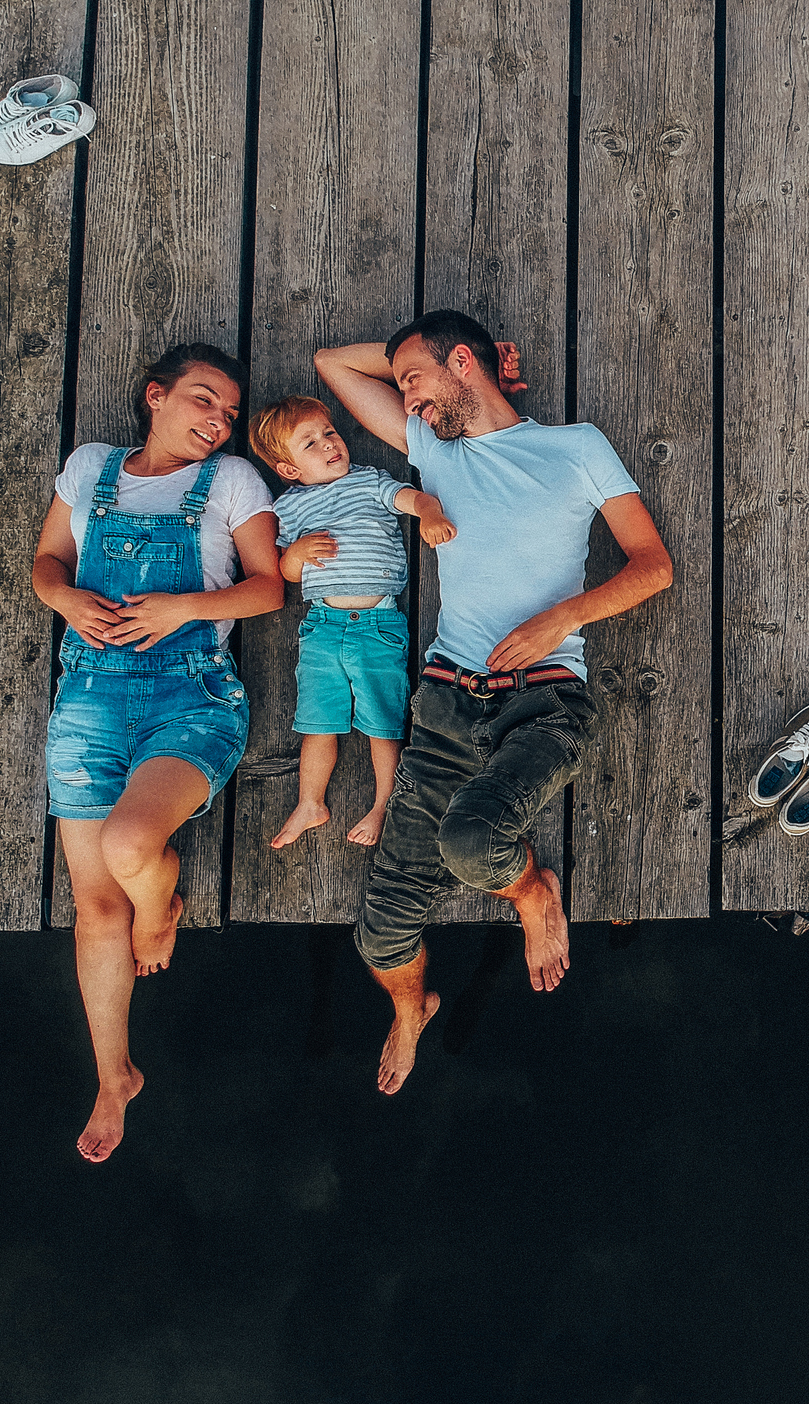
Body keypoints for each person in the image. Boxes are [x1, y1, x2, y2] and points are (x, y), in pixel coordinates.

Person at [314, 311, 673, 1094]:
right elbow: (330, 366)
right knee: (379, 938)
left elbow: (653, 567)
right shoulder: (435, 454)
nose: (404, 398)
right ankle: (412, 1010)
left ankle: (531, 892)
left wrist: (563, 617)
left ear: (464, 363)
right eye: (403, 382)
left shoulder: (574, 447)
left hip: (543, 704)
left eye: (414, 379)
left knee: (475, 843)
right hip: (446, 705)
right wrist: (410, 352)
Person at [32, 345, 283, 1162]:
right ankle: (115, 1078)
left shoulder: (235, 482)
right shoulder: (91, 468)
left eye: (228, 414)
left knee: (129, 846)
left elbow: (267, 588)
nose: (217, 422)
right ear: (155, 396)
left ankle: (162, 905)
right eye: (203, 401)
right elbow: (48, 563)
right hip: (88, 701)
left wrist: (183, 607)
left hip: (189, 695)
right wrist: (65, 597)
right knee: (93, 909)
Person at [249, 394, 458, 849]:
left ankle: (385, 803)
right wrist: (296, 556)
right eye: (310, 443)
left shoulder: (369, 482)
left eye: (329, 433)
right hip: (321, 626)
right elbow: (283, 570)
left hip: (376, 625)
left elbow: (412, 498)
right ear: (288, 469)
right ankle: (310, 802)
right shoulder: (289, 508)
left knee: (382, 723)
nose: (328, 444)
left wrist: (431, 512)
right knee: (317, 721)